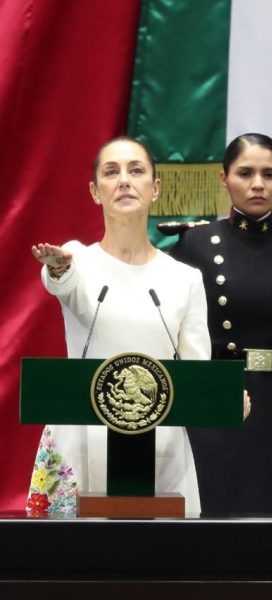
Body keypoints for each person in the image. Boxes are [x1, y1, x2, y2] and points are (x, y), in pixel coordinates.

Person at [27, 136, 211, 516]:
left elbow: (198, 375)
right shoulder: (77, 257)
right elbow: (61, 279)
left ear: (155, 188)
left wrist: (224, 398)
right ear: (95, 192)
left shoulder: (185, 279)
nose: (124, 180)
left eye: (136, 170)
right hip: (78, 440)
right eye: (111, 173)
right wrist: (58, 267)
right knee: (65, 567)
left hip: (157, 446)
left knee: (162, 565)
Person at [170, 132, 272, 516]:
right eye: (245, 173)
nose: (258, 184)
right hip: (215, 404)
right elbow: (175, 341)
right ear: (223, 178)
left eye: (270, 174)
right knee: (214, 528)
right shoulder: (194, 244)